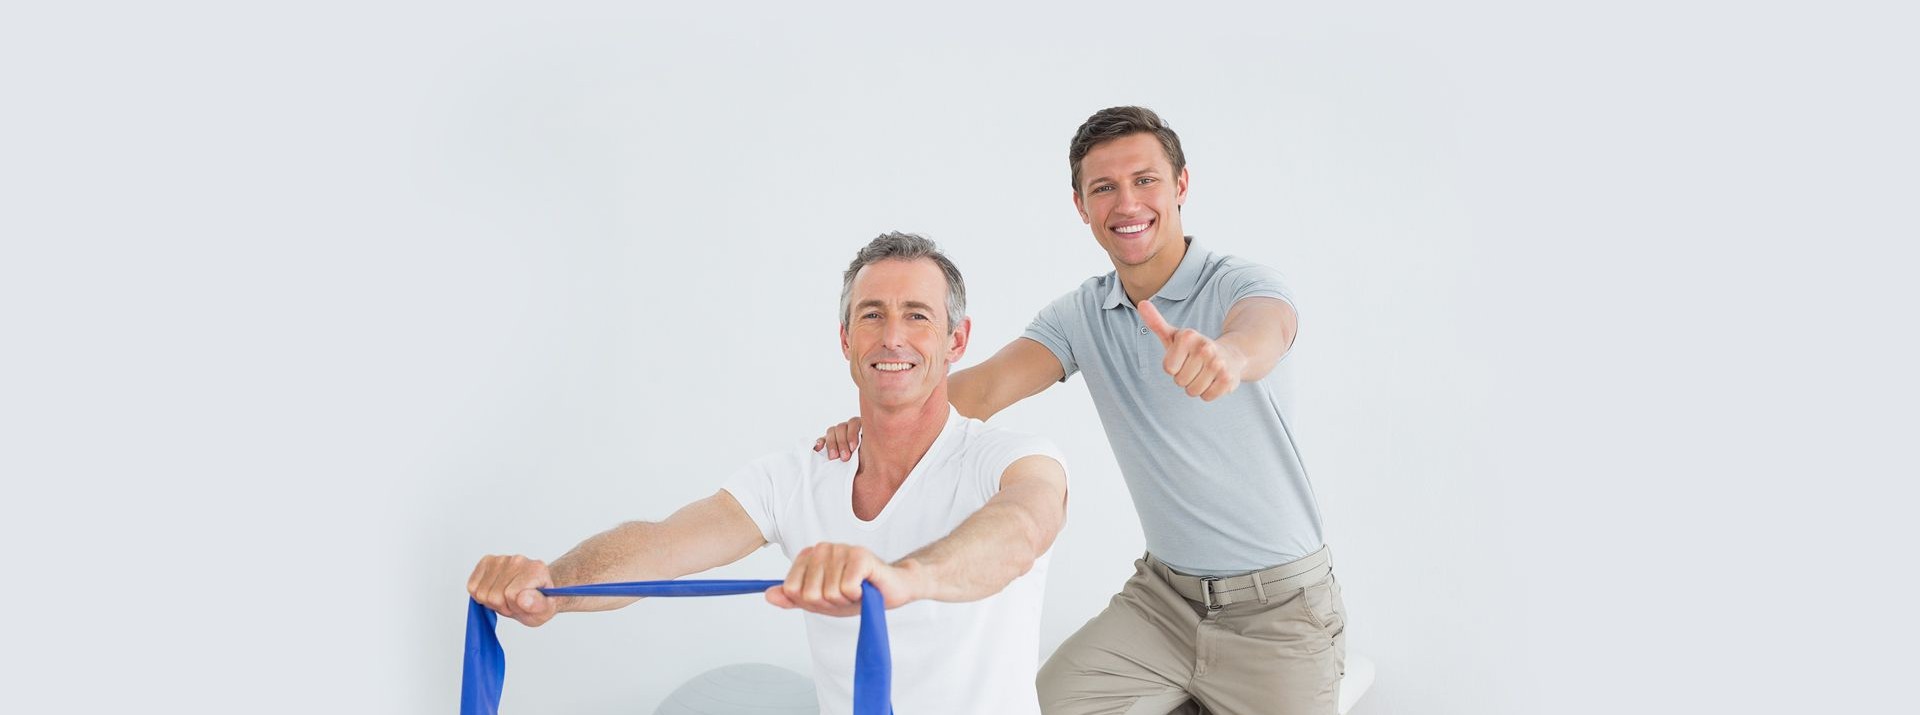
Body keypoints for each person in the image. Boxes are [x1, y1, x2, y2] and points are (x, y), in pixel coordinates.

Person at [815, 107, 1345, 714]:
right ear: (1081, 205)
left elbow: (1266, 329)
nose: (1127, 202)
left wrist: (1228, 355)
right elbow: (983, 389)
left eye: (1145, 180)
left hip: (1279, 613)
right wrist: (884, 421)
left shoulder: (1237, 284)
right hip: (1164, 604)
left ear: (1180, 185)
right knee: (1038, 707)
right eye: (1104, 188)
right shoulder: (1082, 315)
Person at [469, 232, 1070, 714]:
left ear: (957, 340)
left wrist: (903, 579)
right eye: (872, 315)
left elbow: (1021, 530)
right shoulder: (796, 477)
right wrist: (551, 584)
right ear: (845, 339)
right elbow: (661, 545)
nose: (892, 337)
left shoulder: (1011, 459)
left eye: (917, 316)